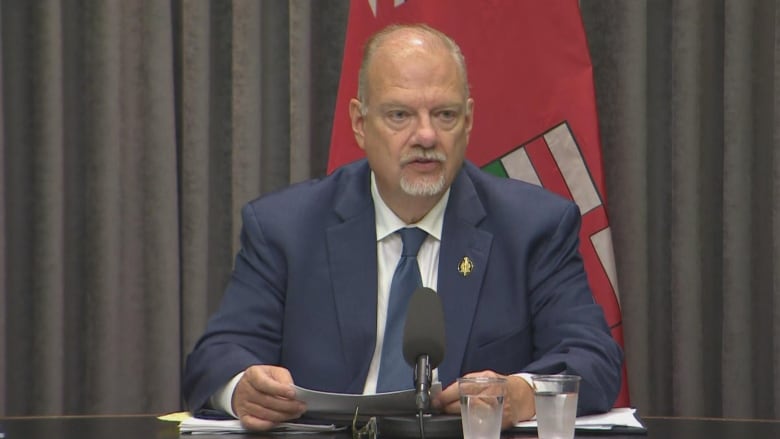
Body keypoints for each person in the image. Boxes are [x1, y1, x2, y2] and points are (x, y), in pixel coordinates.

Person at [182, 23, 622, 431]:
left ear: (468, 121)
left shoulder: (533, 228)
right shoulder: (285, 228)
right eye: (399, 116)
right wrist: (243, 389)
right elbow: (216, 358)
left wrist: (521, 395)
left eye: (445, 115)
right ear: (359, 123)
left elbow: (593, 359)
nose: (426, 136)